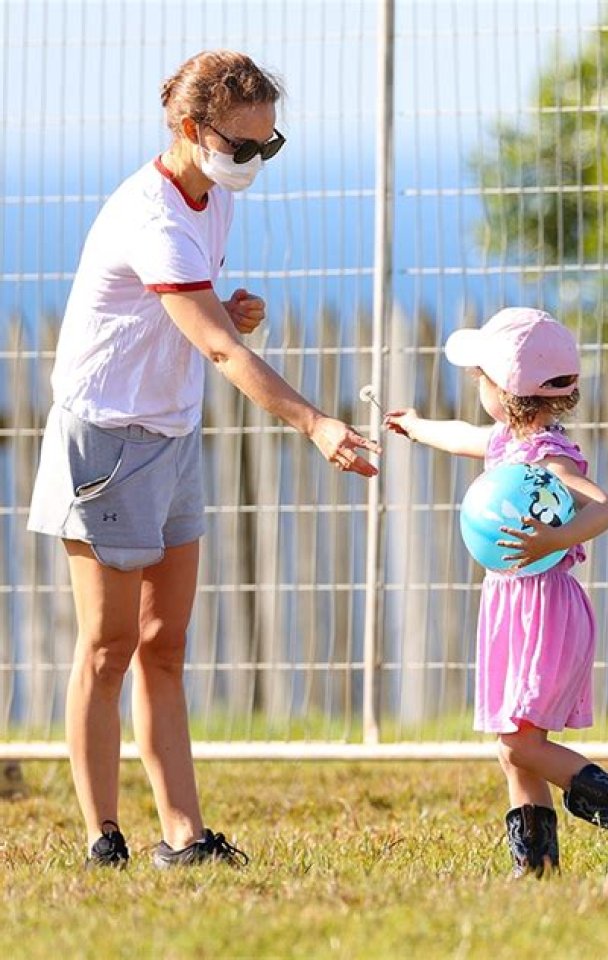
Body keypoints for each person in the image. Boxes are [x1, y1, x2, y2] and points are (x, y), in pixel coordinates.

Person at [27, 50, 379, 870]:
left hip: (173, 434)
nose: (254, 162)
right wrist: (315, 422)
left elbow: (198, 315)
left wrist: (232, 304)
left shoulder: (211, 197)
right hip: (107, 440)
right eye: (243, 147)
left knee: (165, 644)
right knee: (108, 646)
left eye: (268, 146)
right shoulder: (151, 213)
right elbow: (217, 351)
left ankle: (183, 836)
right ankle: (101, 837)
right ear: (191, 129)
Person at [385, 307, 608, 877]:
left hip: (542, 606)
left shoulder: (547, 455)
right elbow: (462, 437)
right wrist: (417, 425)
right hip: (510, 603)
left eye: (481, 379)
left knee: (522, 744)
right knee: (513, 744)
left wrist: (555, 536)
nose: (477, 388)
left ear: (505, 390)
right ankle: (537, 865)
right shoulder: (506, 441)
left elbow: (603, 507)